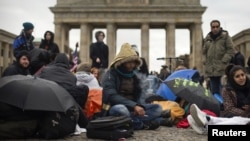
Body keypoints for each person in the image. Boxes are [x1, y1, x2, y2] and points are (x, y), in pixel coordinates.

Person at [101, 43, 172, 130]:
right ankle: (144, 124)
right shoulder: (110, 74)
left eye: (134, 62)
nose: (132, 65)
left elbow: (139, 95)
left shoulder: (134, 75)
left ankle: (131, 121)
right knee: (121, 110)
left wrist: (140, 106)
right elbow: (111, 96)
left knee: (157, 108)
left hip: (133, 108)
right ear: (122, 62)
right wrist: (134, 106)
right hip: (116, 106)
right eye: (129, 62)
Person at [202, 20, 235, 95]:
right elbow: (204, 52)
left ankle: (224, 105)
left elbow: (231, 50)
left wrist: (224, 61)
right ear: (211, 28)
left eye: (217, 27)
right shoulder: (207, 38)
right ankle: (217, 106)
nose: (215, 29)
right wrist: (204, 61)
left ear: (220, 27)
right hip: (211, 70)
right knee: (214, 91)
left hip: (222, 69)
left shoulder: (225, 36)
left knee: (223, 90)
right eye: (213, 27)